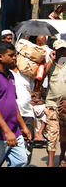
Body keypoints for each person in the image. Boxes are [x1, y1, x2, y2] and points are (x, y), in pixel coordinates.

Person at [42, 39, 66, 167]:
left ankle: (62, 155)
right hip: (52, 105)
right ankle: (50, 164)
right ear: (55, 51)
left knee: (64, 134)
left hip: (65, 106)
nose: (63, 53)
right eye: (60, 50)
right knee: (52, 135)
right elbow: (41, 76)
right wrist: (51, 60)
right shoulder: (50, 65)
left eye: (64, 50)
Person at [10, 61, 35, 164]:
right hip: (12, 113)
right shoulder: (7, 73)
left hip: (27, 113)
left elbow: (41, 77)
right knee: (10, 144)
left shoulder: (27, 73)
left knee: (28, 144)